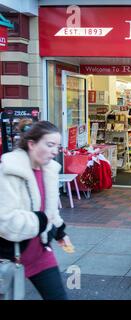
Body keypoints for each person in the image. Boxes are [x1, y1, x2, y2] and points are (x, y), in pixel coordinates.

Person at [0, 121, 73, 300]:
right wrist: (42, 220)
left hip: (39, 253)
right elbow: (6, 220)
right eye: (50, 145)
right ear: (32, 144)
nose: (55, 151)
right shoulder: (9, 172)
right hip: (10, 254)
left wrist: (59, 232)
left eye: (57, 146)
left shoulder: (48, 171)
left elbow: (49, 211)